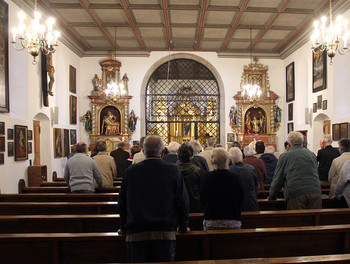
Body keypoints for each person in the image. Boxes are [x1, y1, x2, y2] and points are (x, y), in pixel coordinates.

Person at [118, 135, 190, 262]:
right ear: (163, 152)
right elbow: (181, 201)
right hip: (164, 231)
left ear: (144, 151)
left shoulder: (131, 171)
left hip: (136, 231)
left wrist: (123, 226)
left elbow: (122, 202)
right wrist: (183, 226)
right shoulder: (172, 170)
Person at [269, 132, 322, 210]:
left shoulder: (285, 156)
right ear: (302, 142)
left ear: (289, 143)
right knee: (314, 220)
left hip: (296, 193)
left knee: (297, 221)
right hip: (315, 192)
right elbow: (315, 173)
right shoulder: (311, 154)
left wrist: (272, 196)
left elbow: (278, 179)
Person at [200, 148, 244, 230]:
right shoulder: (235, 178)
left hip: (211, 221)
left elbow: (202, 198)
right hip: (233, 221)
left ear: (212, 161)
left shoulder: (207, 178)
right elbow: (241, 198)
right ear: (228, 160)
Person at [229, 147, 259, 211]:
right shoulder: (251, 169)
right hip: (250, 205)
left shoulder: (228, 171)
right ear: (242, 156)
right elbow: (257, 187)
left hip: (234, 207)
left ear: (230, 159)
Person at [177, 143, 203, 213]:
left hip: (177, 207)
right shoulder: (197, 170)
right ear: (192, 156)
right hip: (194, 206)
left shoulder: (173, 170)